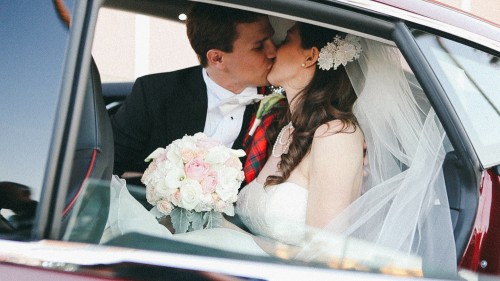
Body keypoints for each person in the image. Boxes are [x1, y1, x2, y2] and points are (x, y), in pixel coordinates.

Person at [104, 21, 457, 277]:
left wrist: (230, 235)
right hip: (238, 260)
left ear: (310, 57)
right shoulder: (291, 127)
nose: (273, 49)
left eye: (285, 39)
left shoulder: (336, 135)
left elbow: (321, 254)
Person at [110, 3, 276, 180]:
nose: (273, 51)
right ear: (217, 58)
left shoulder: (280, 104)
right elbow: (107, 163)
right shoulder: (155, 93)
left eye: (272, 39)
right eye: (259, 46)